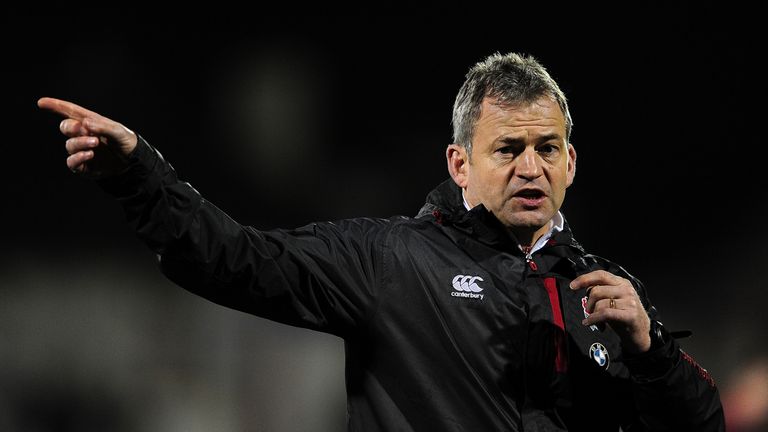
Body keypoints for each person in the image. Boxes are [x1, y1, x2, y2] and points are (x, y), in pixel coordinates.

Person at [39, 52, 724, 431]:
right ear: (460, 165)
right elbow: (231, 260)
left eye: (548, 148)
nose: (530, 167)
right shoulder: (388, 260)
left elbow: (702, 427)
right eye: (508, 148)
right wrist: (140, 176)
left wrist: (652, 352)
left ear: (571, 163)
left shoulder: (605, 293)